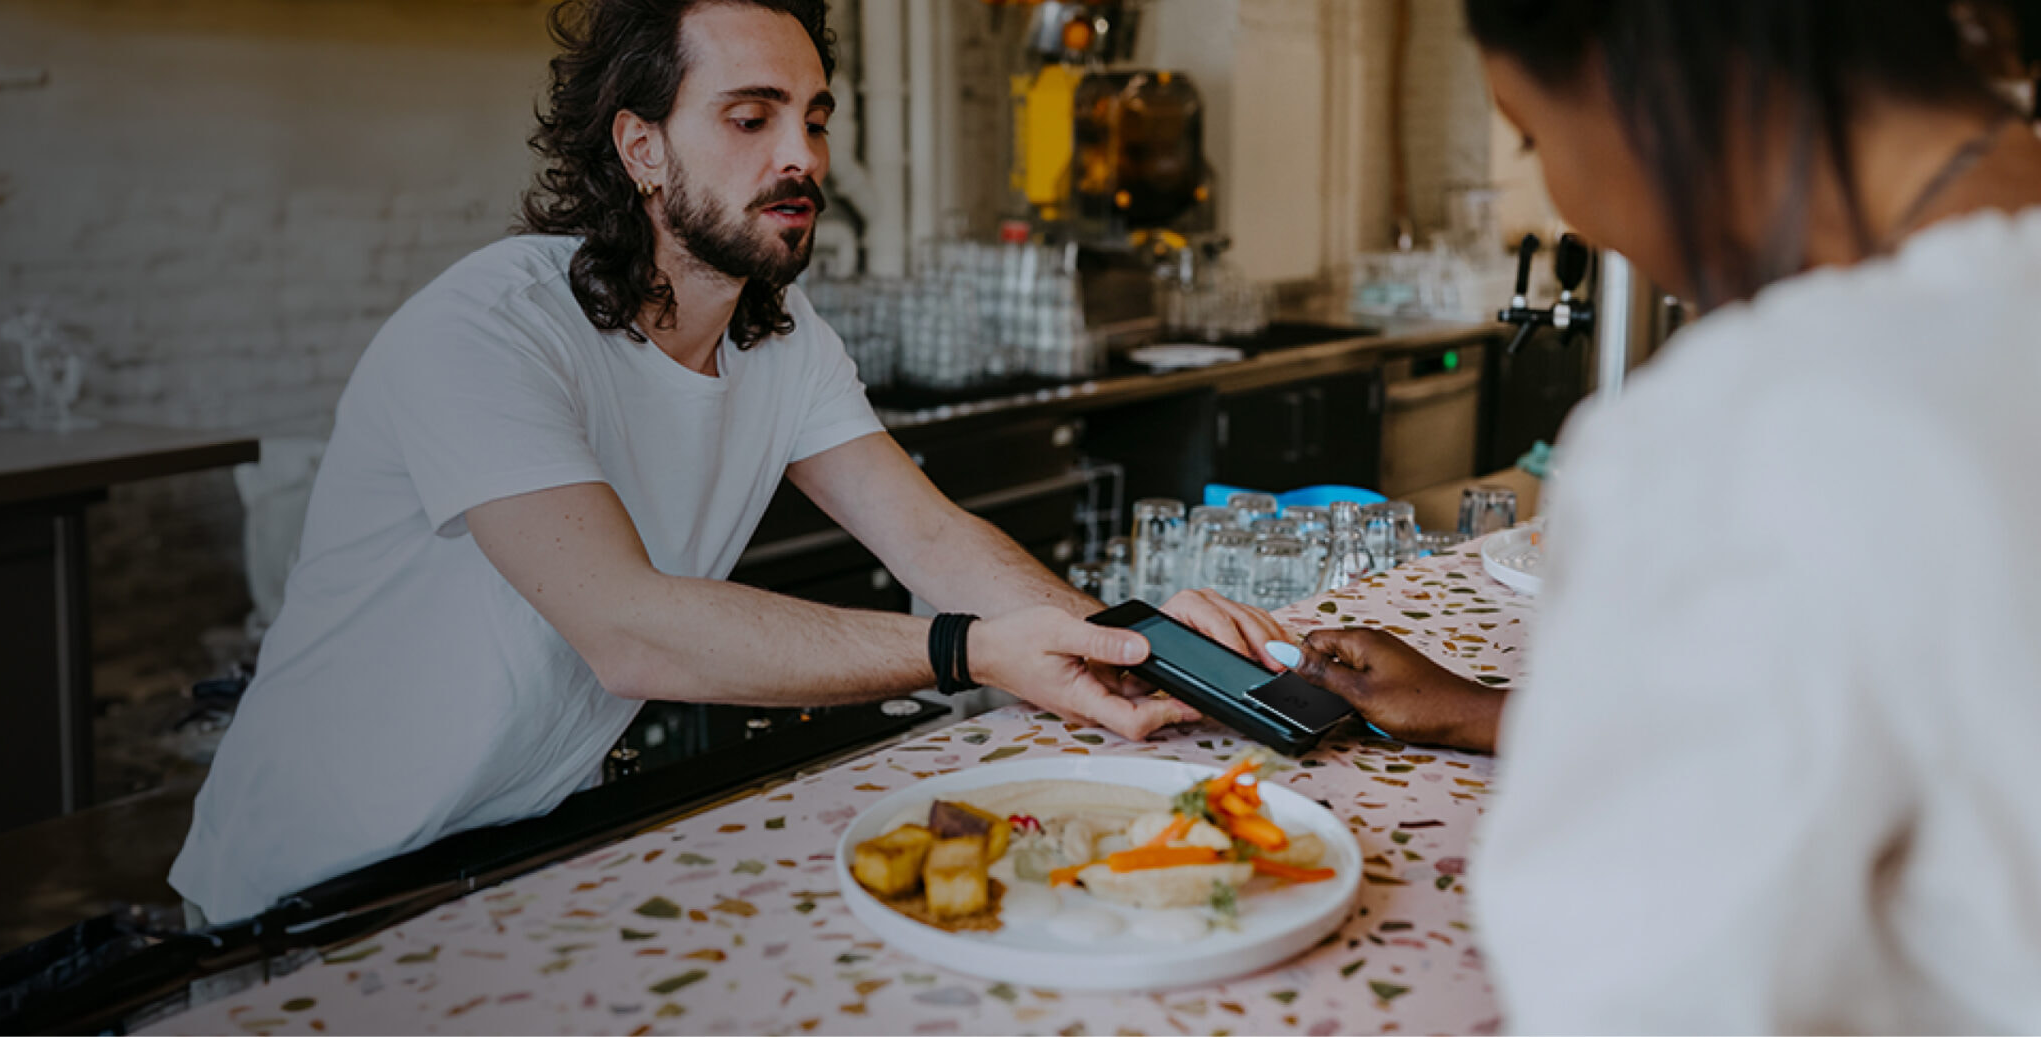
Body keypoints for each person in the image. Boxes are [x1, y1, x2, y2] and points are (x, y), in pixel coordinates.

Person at [167, 0, 1284, 925]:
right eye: (749, 118)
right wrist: (973, 650)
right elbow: (629, 630)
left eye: (813, 117)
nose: (801, 156)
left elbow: (931, 536)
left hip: (516, 855)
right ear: (640, 144)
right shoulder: (488, 330)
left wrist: (1115, 648)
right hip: (305, 892)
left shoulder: (782, 341)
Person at [1217, 0, 2041, 1030]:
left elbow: (1639, 989)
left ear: (1633, 72)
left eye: (1531, 132)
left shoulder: (1756, 426)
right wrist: (1489, 709)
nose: (1580, 212)